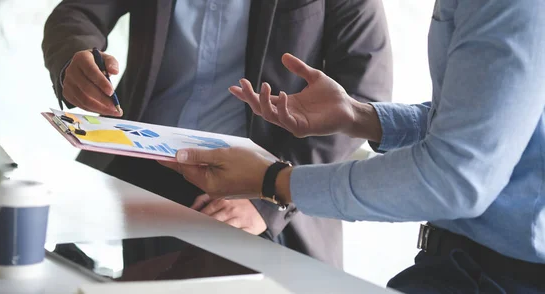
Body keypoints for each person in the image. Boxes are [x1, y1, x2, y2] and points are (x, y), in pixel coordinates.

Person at [160, 0, 545, 292]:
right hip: (466, 265)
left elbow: (456, 177)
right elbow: (486, 123)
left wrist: (273, 183)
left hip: (501, 275)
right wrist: (360, 117)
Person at [42, 0, 392, 268]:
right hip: (134, 173)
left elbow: (364, 96)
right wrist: (73, 60)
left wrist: (273, 192)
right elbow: (77, 13)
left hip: (260, 193)